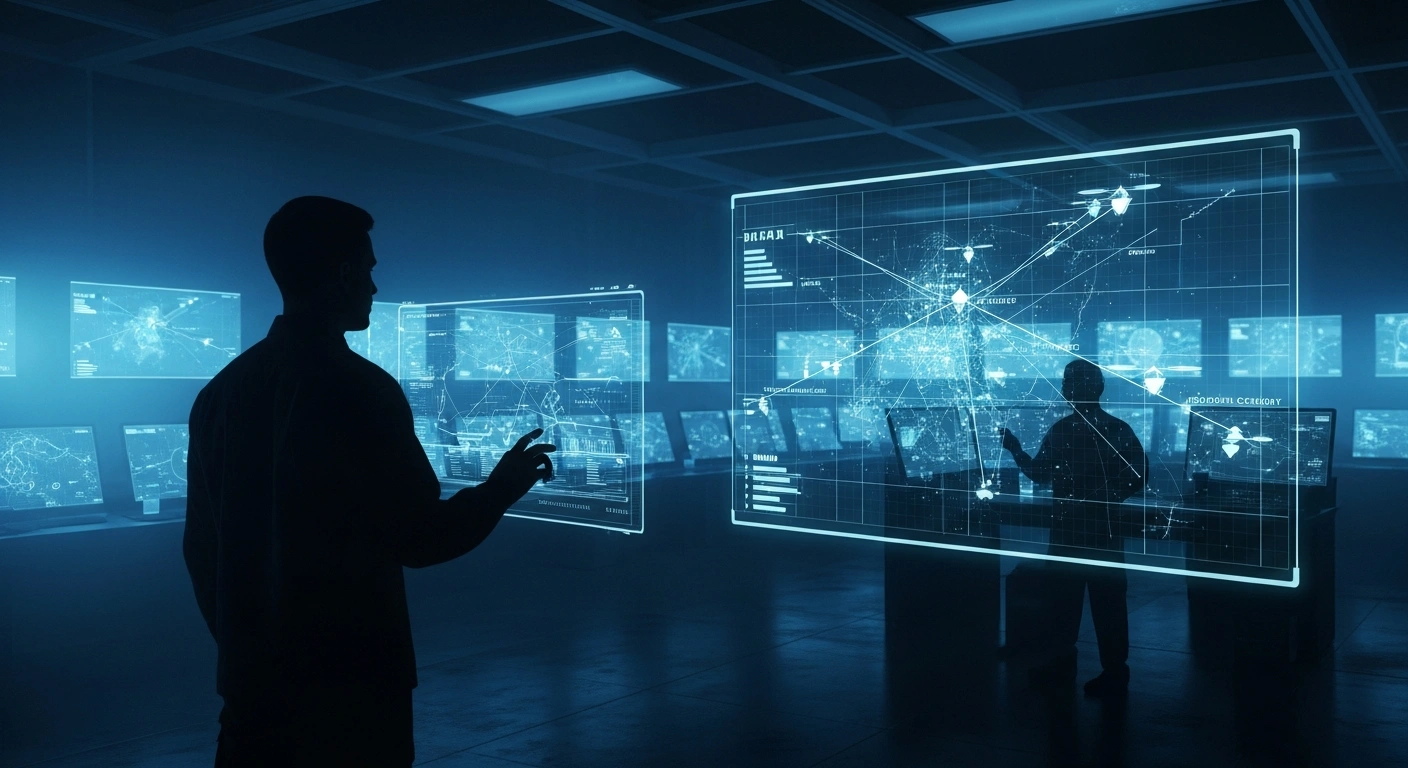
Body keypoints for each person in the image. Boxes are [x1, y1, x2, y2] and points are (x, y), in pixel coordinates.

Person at [183, 196, 556, 766]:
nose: (375, 287)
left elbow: (199, 548)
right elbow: (421, 537)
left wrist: (246, 650)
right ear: (343, 273)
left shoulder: (219, 393)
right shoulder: (362, 390)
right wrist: (501, 488)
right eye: (370, 269)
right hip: (352, 692)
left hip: (251, 693)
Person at [999, 360, 1147, 697]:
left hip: (1068, 532)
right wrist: (1107, 499)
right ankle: (1113, 672)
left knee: (1065, 604)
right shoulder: (1117, 429)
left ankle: (1063, 665)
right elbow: (1139, 475)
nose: (1066, 389)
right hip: (1101, 534)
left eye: (1069, 383)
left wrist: (1015, 449)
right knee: (1106, 606)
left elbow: (1038, 473)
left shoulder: (1063, 430)